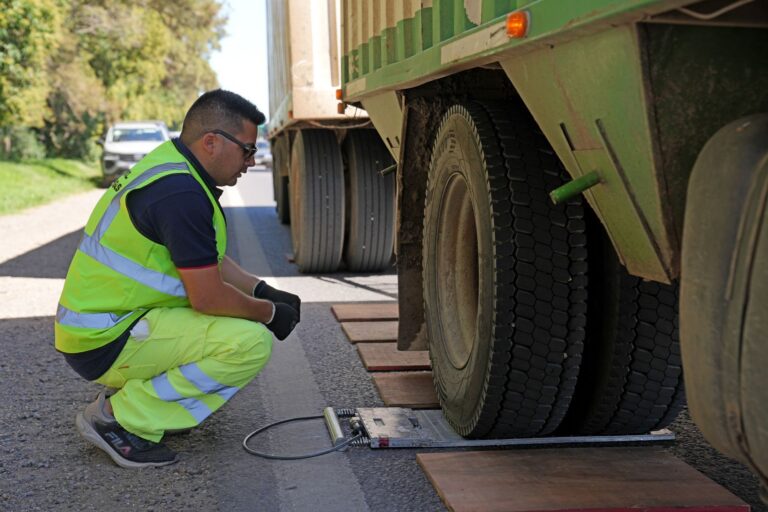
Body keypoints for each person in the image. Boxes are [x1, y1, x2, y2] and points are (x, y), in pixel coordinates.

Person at [54, 89, 301, 468]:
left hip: (109, 323)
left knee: (235, 325)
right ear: (212, 143)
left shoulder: (176, 171)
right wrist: (267, 312)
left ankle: (136, 399)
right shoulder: (180, 193)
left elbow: (205, 260)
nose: (252, 161)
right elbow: (207, 296)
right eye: (248, 150)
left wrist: (260, 289)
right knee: (249, 342)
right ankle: (123, 419)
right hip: (106, 337)